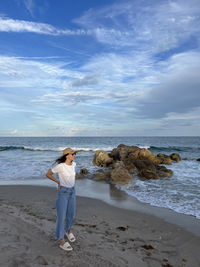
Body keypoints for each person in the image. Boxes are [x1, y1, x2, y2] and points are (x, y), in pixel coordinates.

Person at [46, 147, 77, 251]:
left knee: (71, 215)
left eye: (74, 154)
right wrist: (58, 182)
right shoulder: (60, 166)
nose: (74, 155)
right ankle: (61, 240)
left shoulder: (74, 164)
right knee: (61, 217)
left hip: (72, 192)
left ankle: (68, 231)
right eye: (72, 154)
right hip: (63, 193)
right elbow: (48, 174)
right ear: (67, 155)